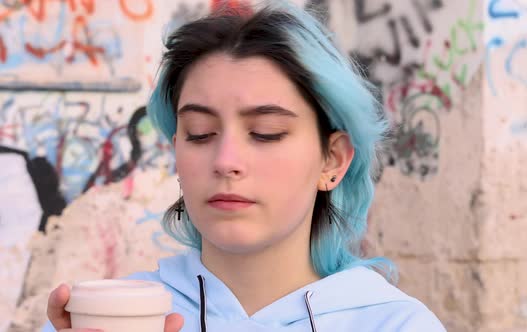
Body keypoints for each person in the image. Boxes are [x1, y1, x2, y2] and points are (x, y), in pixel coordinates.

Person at [42, 1, 447, 331]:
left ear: (333, 159)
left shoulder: (393, 323)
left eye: (266, 132)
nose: (226, 162)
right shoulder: (112, 320)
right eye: (199, 133)